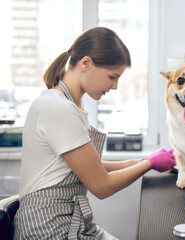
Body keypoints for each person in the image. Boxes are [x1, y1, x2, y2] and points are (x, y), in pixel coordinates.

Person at [13, 26, 175, 240]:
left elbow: (93, 168)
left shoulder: (71, 106)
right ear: (86, 63)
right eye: (112, 76)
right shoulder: (57, 108)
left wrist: (144, 160)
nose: (115, 86)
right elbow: (101, 186)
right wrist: (149, 164)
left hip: (72, 223)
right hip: (48, 228)